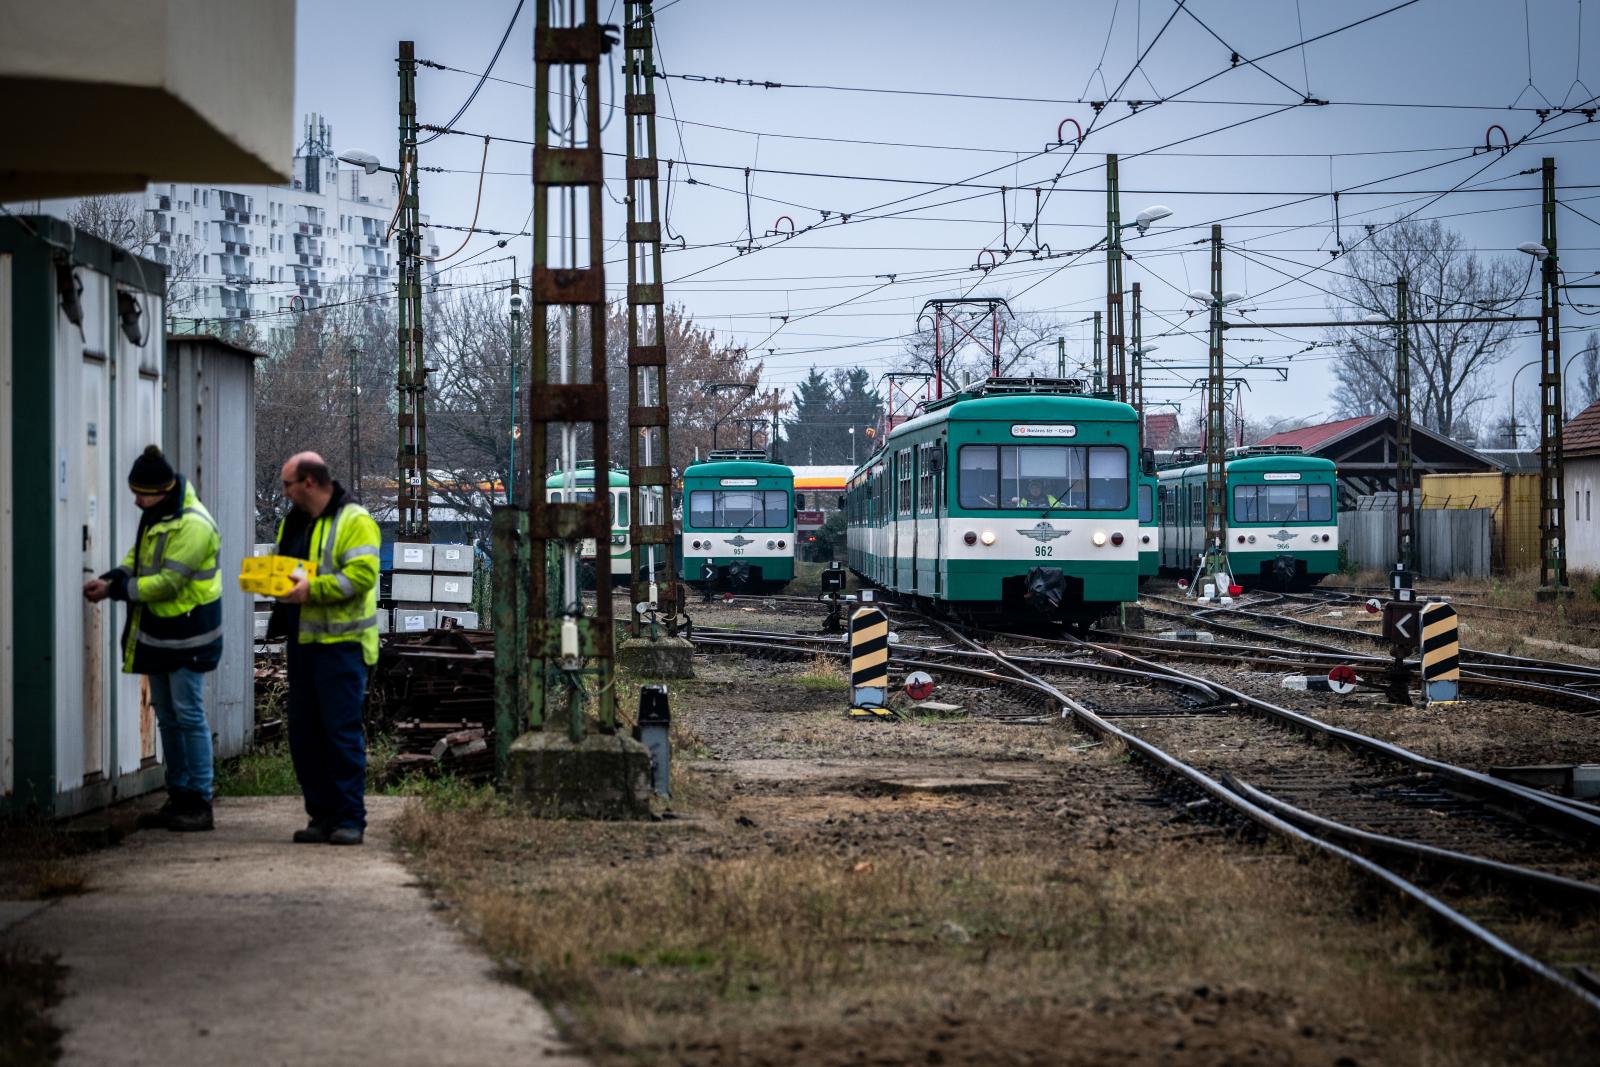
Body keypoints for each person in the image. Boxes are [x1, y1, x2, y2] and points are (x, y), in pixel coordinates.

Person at [83, 445, 222, 832]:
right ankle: (179, 795)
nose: (135, 500)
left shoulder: (193, 525)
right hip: (162, 635)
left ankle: (200, 801)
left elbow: (167, 583)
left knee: (188, 716)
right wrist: (113, 577)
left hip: (189, 636)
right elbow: (138, 561)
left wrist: (115, 590)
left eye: (140, 493)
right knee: (167, 717)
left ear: (161, 490)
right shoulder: (157, 516)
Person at [269, 452, 381, 846]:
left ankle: (350, 818)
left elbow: (362, 576)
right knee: (305, 735)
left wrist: (312, 590)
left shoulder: (354, 521)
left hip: (342, 646)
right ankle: (321, 816)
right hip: (303, 643)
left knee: (340, 734)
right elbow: (286, 568)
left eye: (288, 485)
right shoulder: (296, 522)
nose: (285, 492)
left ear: (309, 483)